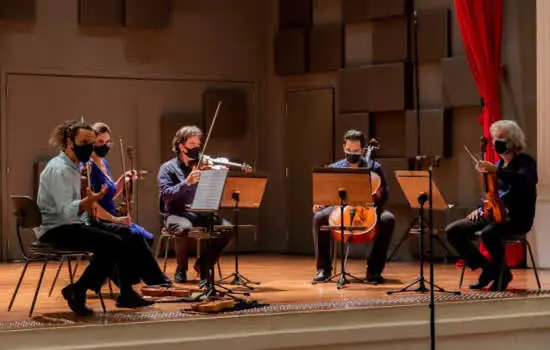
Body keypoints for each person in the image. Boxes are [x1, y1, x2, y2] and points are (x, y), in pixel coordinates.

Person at [36, 120, 153, 316]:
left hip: (72, 223)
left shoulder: (74, 166)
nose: (90, 147)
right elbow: (66, 211)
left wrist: (93, 202)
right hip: (55, 229)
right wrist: (89, 201)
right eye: (84, 142)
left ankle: (125, 293)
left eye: (92, 142)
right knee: (112, 243)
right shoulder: (60, 169)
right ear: (69, 142)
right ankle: (79, 289)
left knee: (127, 234)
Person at [445, 120, 537, 291]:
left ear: (513, 141)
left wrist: (497, 171)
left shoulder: (526, 162)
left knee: (490, 232)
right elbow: (491, 194)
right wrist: (480, 208)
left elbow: (525, 181)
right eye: (494, 138)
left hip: (516, 219)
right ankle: (489, 269)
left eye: (500, 138)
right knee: (453, 230)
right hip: (493, 214)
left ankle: (501, 276)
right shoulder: (500, 164)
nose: (495, 143)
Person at [87, 122, 171, 287]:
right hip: (101, 219)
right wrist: (115, 220)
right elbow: (92, 204)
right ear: (91, 142)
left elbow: (110, 194)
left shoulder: (103, 163)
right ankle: (149, 280)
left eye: (107, 142)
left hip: (111, 216)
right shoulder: (88, 167)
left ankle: (128, 277)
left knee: (149, 237)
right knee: (134, 237)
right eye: (100, 142)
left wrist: (122, 179)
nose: (104, 146)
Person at [312, 130, 395, 284]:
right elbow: (327, 195)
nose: (352, 153)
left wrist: (376, 196)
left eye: (356, 151)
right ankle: (323, 269)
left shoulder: (375, 167)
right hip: (341, 208)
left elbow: (384, 196)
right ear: (344, 147)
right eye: (349, 150)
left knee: (388, 219)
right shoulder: (335, 168)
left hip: (368, 208)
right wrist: (320, 202)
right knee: (319, 218)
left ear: (363, 150)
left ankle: (374, 270)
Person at [157, 125, 233, 283]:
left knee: (227, 229)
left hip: (200, 212)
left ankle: (204, 265)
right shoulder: (167, 168)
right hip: (176, 214)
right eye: (192, 145)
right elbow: (165, 195)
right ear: (181, 146)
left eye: (198, 145)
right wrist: (187, 182)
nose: (196, 148)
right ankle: (181, 268)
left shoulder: (203, 165)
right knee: (184, 229)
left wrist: (218, 175)